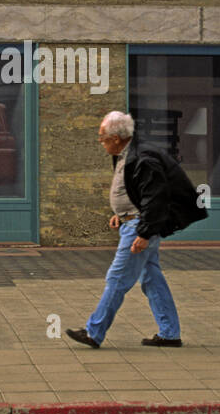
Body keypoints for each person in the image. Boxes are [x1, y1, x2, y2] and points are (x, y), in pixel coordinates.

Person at [66, 110, 207, 349]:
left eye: (102, 137)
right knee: (151, 278)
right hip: (133, 222)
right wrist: (121, 214)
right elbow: (136, 190)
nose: (100, 142)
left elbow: (156, 198)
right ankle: (170, 333)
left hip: (139, 227)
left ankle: (94, 332)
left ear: (117, 138)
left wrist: (144, 233)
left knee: (117, 278)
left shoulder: (143, 158)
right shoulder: (127, 154)